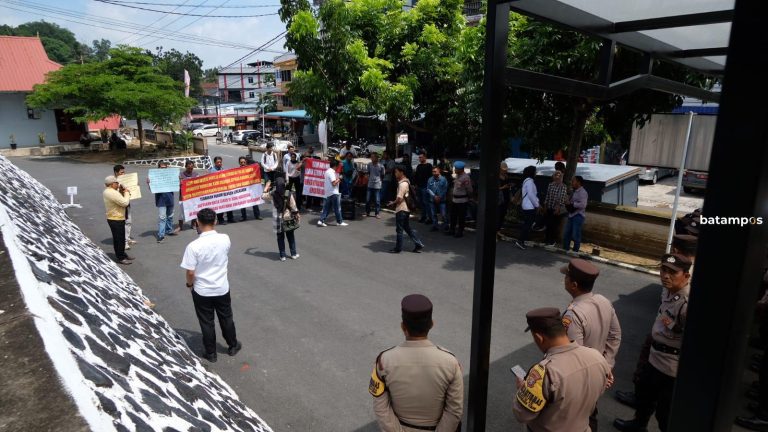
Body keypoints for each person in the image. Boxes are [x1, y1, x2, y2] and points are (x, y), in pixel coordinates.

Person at [613, 235, 698, 409]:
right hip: (655, 353)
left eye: (672, 272)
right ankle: (638, 422)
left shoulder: (686, 302)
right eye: (663, 270)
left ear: (686, 275)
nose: (666, 276)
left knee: (664, 410)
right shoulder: (668, 290)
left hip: (670, 361)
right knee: (645, 394)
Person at [369, 294, 463, 431]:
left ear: (403, 326)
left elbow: (381, 408)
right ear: (432, 324)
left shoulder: (384, 361)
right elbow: (454, 411)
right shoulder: (450, 362)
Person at [513, 307, 610, 432]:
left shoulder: (545, 372)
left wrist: (523, 389)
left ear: (539, 337)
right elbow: (599, 391)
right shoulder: (597, 357)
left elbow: (522, 414)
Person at [560, 258, 622, 431]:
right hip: (598, 374)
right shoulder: (603, 301)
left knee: (576, 419)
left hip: (581, 382)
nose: (563, 279)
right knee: (590, 412)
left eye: (566, 277)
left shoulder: (573, 315)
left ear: (573, 284)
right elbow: (615, 335)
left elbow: (573, 357)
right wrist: (606, 366)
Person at [180, 208, 242, 363]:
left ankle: (211, 353)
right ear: (215, 221)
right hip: (221, 287)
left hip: (202, 290)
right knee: (226, 318)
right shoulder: (225, 238)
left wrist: (189, 285)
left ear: (197, 223)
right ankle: (232, 345)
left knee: (206, 322)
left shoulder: (193, 246)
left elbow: (190, 272)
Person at [386, 165, 424, 253]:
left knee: (399, 230)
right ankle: (418, 244)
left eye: (396, 172)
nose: (395, 174)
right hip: (406, 209)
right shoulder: (407, 181)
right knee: (407, 228)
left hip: (402, 209)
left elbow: (399, 198)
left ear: (401, 172)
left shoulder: (402, 184)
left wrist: (392, 203)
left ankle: (398, 248)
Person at [265, 165, 300, 261]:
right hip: (288, 217)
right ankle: (293, 254)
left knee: (280, 237)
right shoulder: (288, 193)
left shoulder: (272, 193)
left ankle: (282, 255)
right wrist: (297, 214)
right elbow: (293, 206)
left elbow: (263, 196)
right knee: (290, 236)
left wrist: (266, 187)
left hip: (277, 218)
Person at [103, 175, 133, 265]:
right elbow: (124, 203)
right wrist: (127, 192)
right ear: (112, 184)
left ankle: (122, 254)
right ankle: (120, 257)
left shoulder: (109, 191)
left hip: (116, 217)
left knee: (120, 238)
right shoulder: (112, 193)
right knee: (118, 239)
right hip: (115, 219)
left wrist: (121, 192)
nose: (118, 184)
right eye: (116, 183)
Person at [147, 161, 176, 243]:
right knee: (162, 218)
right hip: (161, 201)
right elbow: (152, 189)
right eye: (161, 167)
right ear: (158, 168)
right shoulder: (154, 177)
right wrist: (149, 183)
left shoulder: (170, 176)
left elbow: (176, 185)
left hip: (170, 199)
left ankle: (169, 230)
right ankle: (161, 235)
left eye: (165, 167)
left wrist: (178, 180)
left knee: (170, 216)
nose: (163, 169)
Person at [515, 165, 540, 250]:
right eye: (535, 171)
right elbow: (531, 195)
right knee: (528, 224)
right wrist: (537, 205)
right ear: (531, 172)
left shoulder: (527, 181)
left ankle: (521, 240)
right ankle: (520, 240)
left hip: (527, 205)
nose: (536, 173)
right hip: (529, 206)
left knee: (527, 224)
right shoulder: (530, 182)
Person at [317, 158, 347, 227]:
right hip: (333, 192)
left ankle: (321, 220)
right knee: (337, 208)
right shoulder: (331, 172)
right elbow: (334, 183)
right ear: (335, 165)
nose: (338, 167)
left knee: (327, 208)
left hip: (328, 192)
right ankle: (339, 222)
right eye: (338, 166)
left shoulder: (327, 171)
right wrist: (340, 178)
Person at [113, 164, 136, 249]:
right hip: (120, 205)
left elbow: (132, 188)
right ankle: (124, 242)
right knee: (123, 223)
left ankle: (128, 238)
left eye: (124, 172)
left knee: (129, 221)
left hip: (127, 203)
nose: (123, 174)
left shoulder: (126, 180)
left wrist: (135, 186)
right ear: (116, 173)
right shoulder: (114, 182)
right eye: (121, 172)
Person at [447, 161, 472, 238]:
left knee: (461, 217)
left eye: (456, 169)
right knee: (453, 216)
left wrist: (469, 197)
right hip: (455, 200)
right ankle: (452, 230)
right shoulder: (457, 176)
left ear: (461, 169)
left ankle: (460, 231)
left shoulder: (465, 177)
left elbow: (469, 190)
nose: (454, 170)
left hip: (462, 200)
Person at [543, 170, 568, 246]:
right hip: (549, 207)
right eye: (556, 175)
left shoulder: (563, 186)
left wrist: (558, 208)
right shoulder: (550, 185)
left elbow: (562, 199)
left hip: (556, 209)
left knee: (554, 225)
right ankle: (547, 240)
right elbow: (547, 196)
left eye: (559, 175)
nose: (557, 177)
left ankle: (552, 241)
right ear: (553, 177)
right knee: (548, 224)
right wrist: (545, 206)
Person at [563, 175, 588, 252]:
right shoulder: (573, 191)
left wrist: (572, 204)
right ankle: (566, 248)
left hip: (578, 215)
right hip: (571, 214)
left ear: (578, 182)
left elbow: (583, 204)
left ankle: (575, 250)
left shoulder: (583, 192)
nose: (572, 183)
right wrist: (568, 202)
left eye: (573, 181)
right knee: (567, 233)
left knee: (575, 234)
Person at [210, 156, 235, 225]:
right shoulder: (213, 170)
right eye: (218, 162)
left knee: (229, 203)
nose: (219, 163)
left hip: (225, 190)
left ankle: (230, 218)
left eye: (220, 162)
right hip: (218, 190)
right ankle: (221, 219)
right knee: (221, 204)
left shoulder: (223, 169)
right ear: (215, 163)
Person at [238, 156, 262, 221]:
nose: (242, 163)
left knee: (254, 201)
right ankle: (243, 217)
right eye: (241, 162)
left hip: (251, 188)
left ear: (246, 162)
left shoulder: (250, 169)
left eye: (244, 162)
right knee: (243, 203)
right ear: (239, 163)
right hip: (243, 189)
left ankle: (257, 215)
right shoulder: (237, 171)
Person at [178, 160, 198, 232]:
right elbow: (177, 185)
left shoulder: (196, 174)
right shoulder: (181, 175)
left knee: (194, 210)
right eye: (189, 168)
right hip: (183, 197)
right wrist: (179, 183)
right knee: (181, 212)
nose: (190, 169)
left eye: (192, 168)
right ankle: (180, 226)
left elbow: (198, 184)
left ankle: (193, 224)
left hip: (193, 197)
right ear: (185, 167)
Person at [414, 152, 433, 224]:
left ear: (425, 157)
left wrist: (429, 186)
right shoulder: (418, 166)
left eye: (421, 157)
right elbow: (416, 175)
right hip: (419, 186)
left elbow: (431, 177)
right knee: (421, 202)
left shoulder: (429, 166)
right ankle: (423, 216)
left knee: (426, 202)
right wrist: (415, 184)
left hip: (425, 186)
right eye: (419, 157)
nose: (420, 158)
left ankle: (429, 218)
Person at [427, 167, 448, 232]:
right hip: (432, 200)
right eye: (433, 171)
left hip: (442, 200)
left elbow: (445, 189)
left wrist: (439, 197)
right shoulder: (430, 179)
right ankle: (435, 226)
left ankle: (446, 225)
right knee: (433, 214)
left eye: (435, 171)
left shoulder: (443, 179)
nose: (433, 173)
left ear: (439, 171)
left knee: (443, 214)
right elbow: (428, 189)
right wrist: (434, 196)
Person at [365, 152, 384, 218]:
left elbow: (382, 175)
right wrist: (368, 178)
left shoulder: (381, 166)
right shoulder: (369, 165)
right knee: (368, 200)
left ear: (376, 158)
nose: (372, 158)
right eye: (371, 157)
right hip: (370, 184)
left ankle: (377, 213)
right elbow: (368, 173)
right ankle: (367, 212)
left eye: (373, 157)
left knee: (377, 200)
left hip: (377, 184)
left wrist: (379, 181)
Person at [497, 161, 513, 235]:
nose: (505, 171)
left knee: (503, 213)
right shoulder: (496, 177)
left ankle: (498, 228)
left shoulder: (506, 176)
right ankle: (496, 229)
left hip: (505, 197)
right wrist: (503, 187)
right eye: (503, 170)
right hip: (499, 198)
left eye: (505, 170)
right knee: (498, 214)